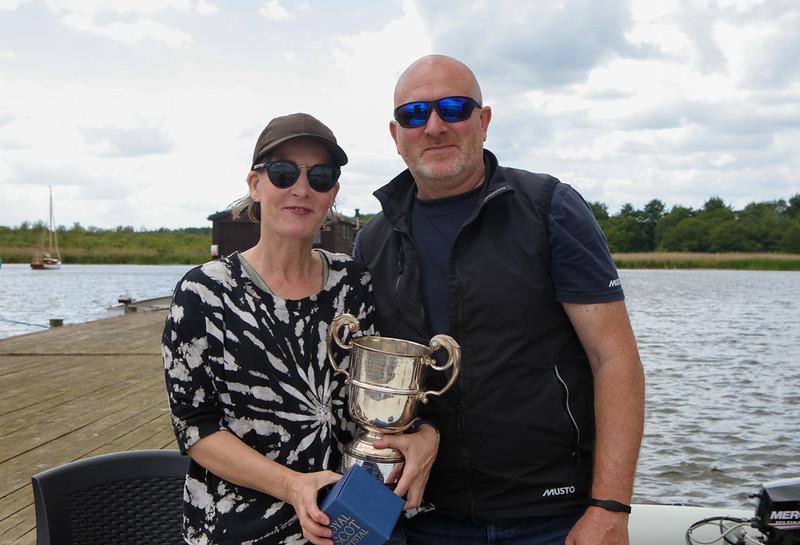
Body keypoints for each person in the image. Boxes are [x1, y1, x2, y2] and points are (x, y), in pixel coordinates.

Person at [354, 55, 645, 545]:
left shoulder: (550, 208)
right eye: (414, 114)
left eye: (454, 108)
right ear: (395, 133)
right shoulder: (374, 240)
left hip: (552, 516)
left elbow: (614, 358)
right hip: (426, 514)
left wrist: (610, 506)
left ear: (483, 121)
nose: (434, 125)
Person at [162, 112, 437, 545]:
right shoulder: (204, 292)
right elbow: (196, 428)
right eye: (283, 172)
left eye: (321, 176)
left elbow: (373, 402)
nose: (301, 188)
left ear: (333, 195)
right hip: (239, 530)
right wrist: (292, 485)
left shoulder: (354, 282)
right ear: (256, 185)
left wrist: (422, 434)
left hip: (349, 526)